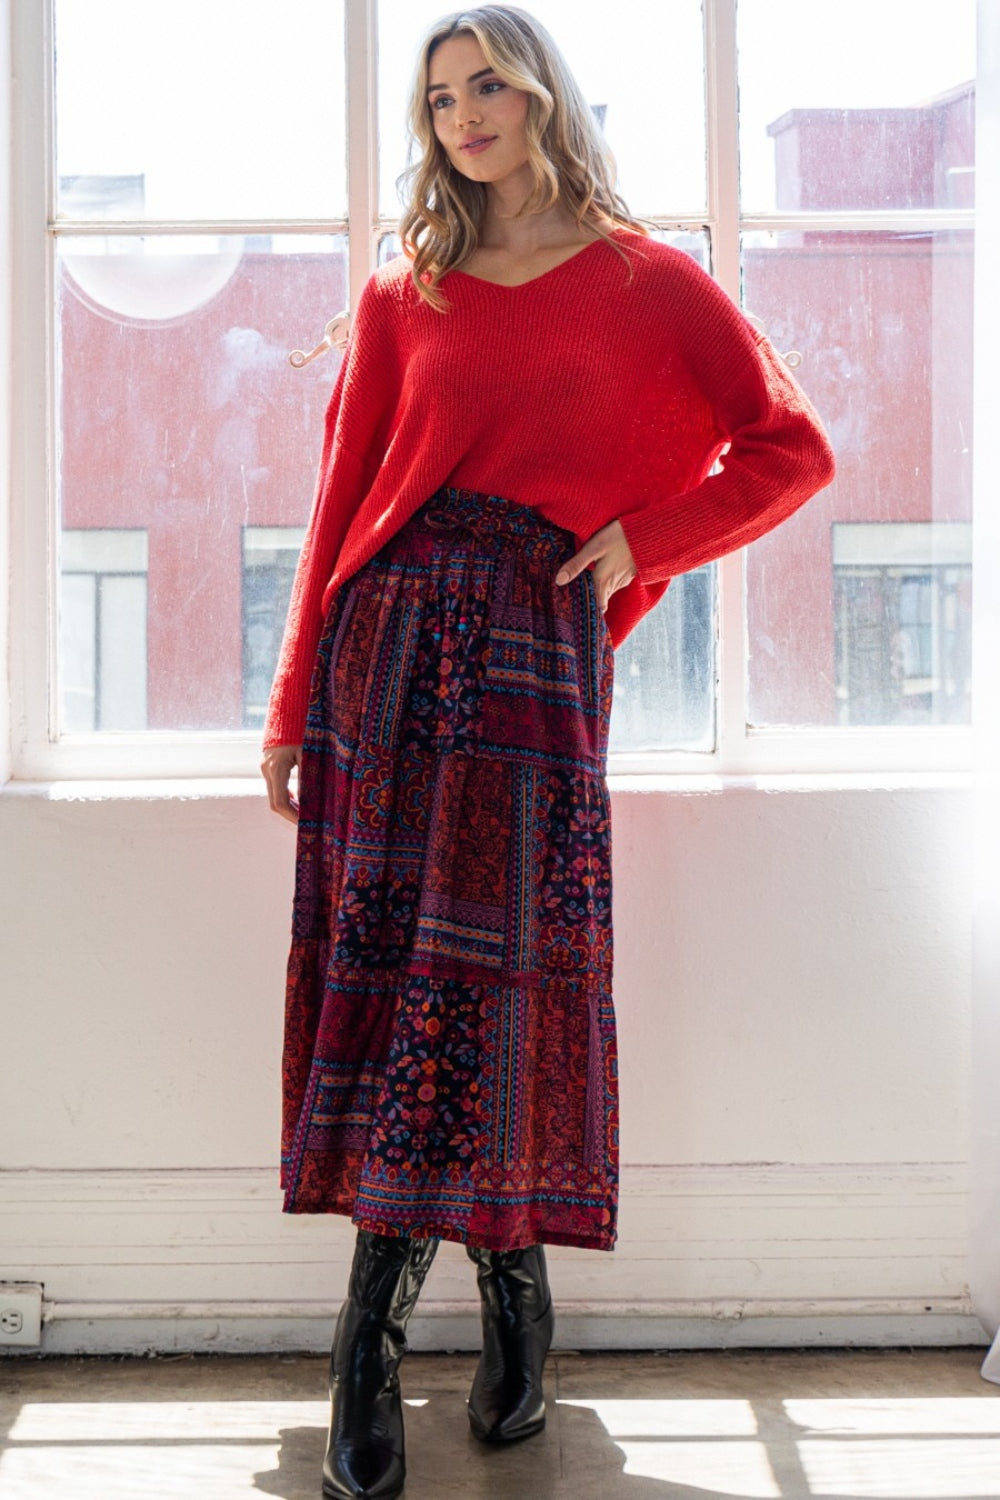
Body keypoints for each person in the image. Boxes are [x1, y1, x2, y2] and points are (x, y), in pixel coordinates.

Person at [261, 6, 835, 1496]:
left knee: (505, 991)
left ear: (540, 93)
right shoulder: (410, 290)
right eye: (439, 95)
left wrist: (645, 536)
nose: (462, 113)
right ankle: (367, 1342)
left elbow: (789, 448)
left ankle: (516, 1291)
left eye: (487, 82)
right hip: (385, 661)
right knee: (397, 993)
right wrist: (286, 710)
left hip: (530, 657)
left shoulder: (651, 283)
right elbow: (338, 512)